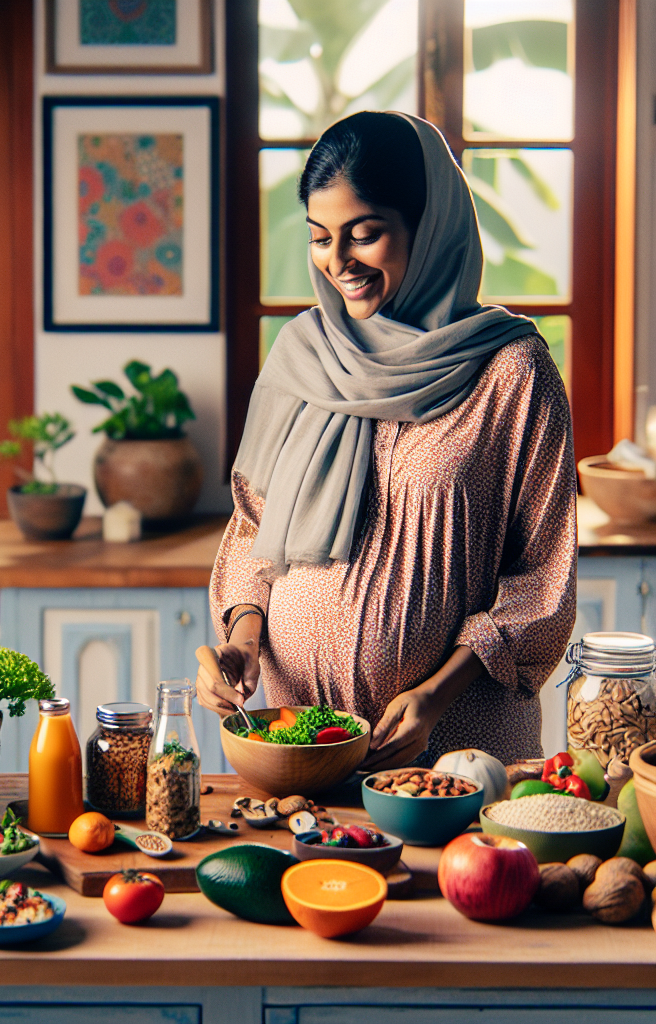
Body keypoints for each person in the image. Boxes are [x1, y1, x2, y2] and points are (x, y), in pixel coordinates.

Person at [199, 111, 576, 769]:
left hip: (455, 753)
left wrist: (435, 694)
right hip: (299, 750)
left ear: (428, 225)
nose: (339, 261)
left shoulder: (510, 371)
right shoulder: (303, 356)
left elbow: (541, 578)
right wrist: (245, 638)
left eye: (365, 234)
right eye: (320, 238)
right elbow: (254, 531)